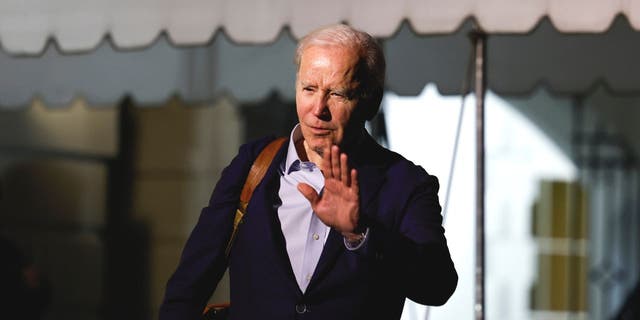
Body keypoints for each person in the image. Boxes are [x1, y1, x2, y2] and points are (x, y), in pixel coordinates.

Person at [160, 24, 457, 319]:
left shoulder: (405, 183)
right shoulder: (253, 166)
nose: (318, 109)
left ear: (371, 101)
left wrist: (360, 233)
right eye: (309, 89)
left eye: (337, 94)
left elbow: (437, 285)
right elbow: (190, 285)